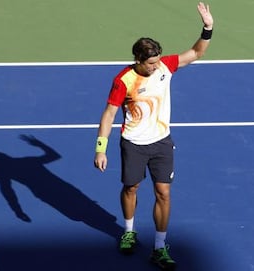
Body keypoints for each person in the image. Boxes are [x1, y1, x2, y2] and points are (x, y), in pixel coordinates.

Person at [94, 2, 214, 270]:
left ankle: (159, 248)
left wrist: (207, 28)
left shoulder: (165, 67)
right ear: (138, 60)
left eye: (158, 60)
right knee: (131, 188)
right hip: (134, 144)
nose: (156, 66)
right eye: (151, 62)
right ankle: (128, 230)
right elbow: (109, 115)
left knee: (163, 193)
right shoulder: (123, 80)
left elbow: (195, 52)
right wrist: (101, 148)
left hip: (161, 142)